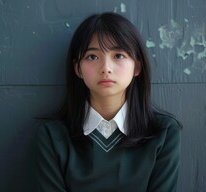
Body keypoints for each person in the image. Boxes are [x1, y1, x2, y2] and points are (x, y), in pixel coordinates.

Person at [37, 12, 181, 192]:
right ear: (78, 69)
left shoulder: (164, 133)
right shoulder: (52, 137)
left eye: (119, 55)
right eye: (92, 57)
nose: (106, 68)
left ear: (137, 66)